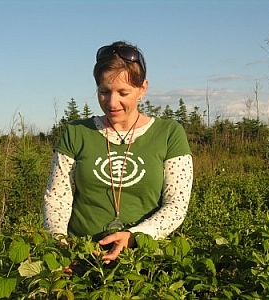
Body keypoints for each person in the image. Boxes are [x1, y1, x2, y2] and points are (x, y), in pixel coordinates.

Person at [43, 40, 193, 263]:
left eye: (123, 92)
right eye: (104, 92)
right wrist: (61, 248)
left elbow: (176, 205)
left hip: (142, 260)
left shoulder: (169, 133)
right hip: (81, 258)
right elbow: (57, 199)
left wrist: (135, 236)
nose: (112, 102)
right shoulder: (76, 132)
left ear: (143, 88)